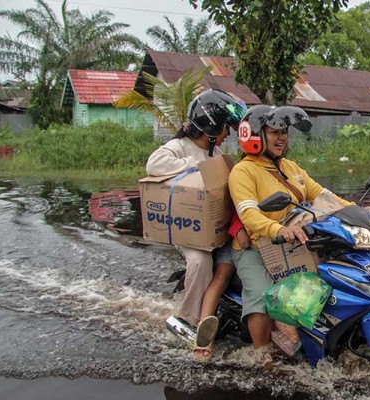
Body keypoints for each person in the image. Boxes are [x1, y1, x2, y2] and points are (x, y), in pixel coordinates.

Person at [228, 105, 353, 348]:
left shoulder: (290, 167)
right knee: (261, 295)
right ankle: (261, 354)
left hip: (293, 243)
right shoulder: (243, 171)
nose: (282, 137)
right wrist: (279, 230)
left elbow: (322, 195)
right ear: (255, 134)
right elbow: (249, 215)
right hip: (256, 247)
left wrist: (356, 209)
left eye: (284, 131)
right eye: (275, 131)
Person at [145, 88, 246, 361]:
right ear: (213, 129)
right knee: (201, 262)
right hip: (189, 232)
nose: (228, 134)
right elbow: (153, 165)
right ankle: (188, 320)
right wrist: (196, 167)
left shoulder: (216, 151)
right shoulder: (179, 148)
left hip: (219, 229)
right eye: (226, 128)